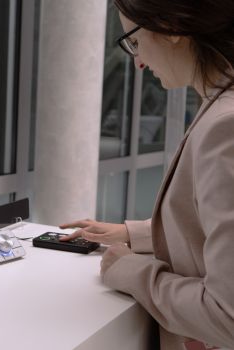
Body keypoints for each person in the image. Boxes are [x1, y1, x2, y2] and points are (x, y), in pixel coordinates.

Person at [59, 1, 234, 349]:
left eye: (136, 41)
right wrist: (136, 234)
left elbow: (227, 316)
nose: (138, 62)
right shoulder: (219, 108)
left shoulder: (225, 127)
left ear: (171, 29)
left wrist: (127, 270)